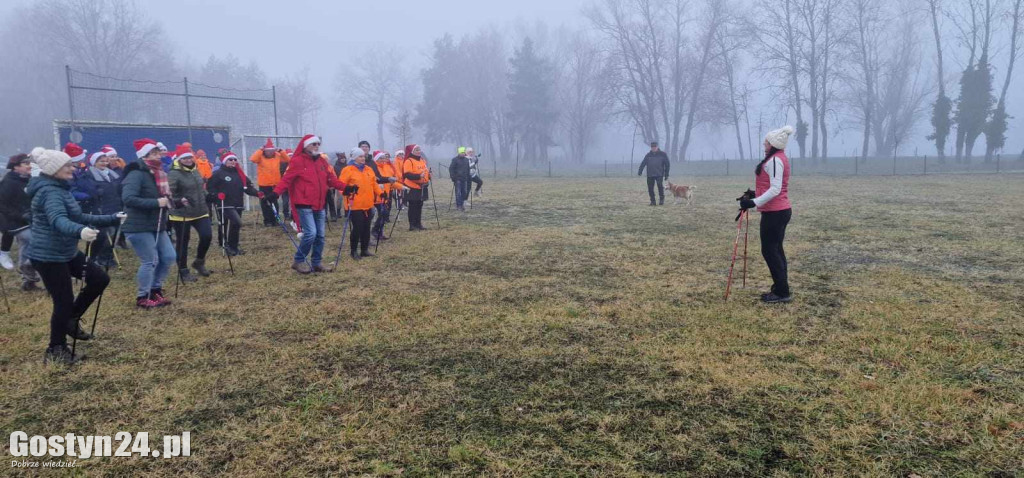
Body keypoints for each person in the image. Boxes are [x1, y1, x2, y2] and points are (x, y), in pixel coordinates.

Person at [26, 147, 123, 364]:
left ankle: (71, 319)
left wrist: (112, 218)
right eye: (67, 165)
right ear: (54, 170)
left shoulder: (60, 188)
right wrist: (80, 231)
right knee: (63, 300)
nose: (72, 168)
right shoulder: (49, 192)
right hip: (48, 256)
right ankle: (56, 348)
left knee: (99, 279)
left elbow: (77, 215)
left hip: (65, 251)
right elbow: (58, 220)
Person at [274, 134, 348, 274]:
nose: (316, 146)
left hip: (319, 204)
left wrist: (346, 187)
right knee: (311, 234)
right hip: (304, 203)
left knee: (320, 235)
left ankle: (316, 263)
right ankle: (298, 260)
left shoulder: (321, 162)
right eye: (313, 144)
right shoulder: (296, 161)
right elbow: (286, 180)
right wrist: (275, 193)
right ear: (305, 145)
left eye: (317, 144)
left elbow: (331, 180)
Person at [738, 126, 794, 304]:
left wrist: (753, 202)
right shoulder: (777, 158)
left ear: (774, 144)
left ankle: (782, 291)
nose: (764, 143)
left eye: (767, 141)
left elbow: (776, 189)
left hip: (776, 212)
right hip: (777, 210)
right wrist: (754, 194)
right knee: (776, 249)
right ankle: (780, 287)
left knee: (770, 250)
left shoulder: (775, 160)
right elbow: (771, 186)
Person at [121, 138, 177, 309]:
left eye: (157, 152)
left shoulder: (159, 173)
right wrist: (155, 203)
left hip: (156, 224)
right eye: (153, 153)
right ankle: (142, 295)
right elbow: (128, 198)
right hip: (138, 225)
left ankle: (155, 289)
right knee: (150, 260)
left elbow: (162, 198)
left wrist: (176, 202)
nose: (158, 155)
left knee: (168, 256)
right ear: (144, 155)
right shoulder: (136, 174)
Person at [168, 145, 214, 282]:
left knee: (207, 236)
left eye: (190, 157)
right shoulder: (173, 174)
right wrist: (179, 200)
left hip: (200, 211)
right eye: (185, 158)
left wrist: (208, 196)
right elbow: (169, 193)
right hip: (181, 212)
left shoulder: (195, 170)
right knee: (183, 242)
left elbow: (200, 189)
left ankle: (199, 262)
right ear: (179, 159)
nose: (188, 160)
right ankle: (183, 270)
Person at [71, 151, 123, 268]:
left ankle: (106, 257)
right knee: (101, 235)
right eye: (101, 161)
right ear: (94, 163)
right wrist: (92, 195)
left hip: (114, 207)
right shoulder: (87, 176)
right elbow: (84, 190)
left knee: (113, 234)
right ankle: (93, 258)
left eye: (105, 161)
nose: (104, 163)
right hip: (98, 209)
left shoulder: (113, 175)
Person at [0, 154, 42, 290]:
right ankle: (28, 266)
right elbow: (3, 205)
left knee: (25, 247)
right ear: (16, 167)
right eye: (25, 163)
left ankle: (28, 282)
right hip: (15, 223)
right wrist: (20, 215)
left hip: (29, 220)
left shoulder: (28, 179)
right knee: (38, 241)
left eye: (29, 163)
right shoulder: (8, 182)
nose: (29, 165)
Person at [207, 150, 258, 257]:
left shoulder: (240, 174)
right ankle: (227, 245)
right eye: (230, 159)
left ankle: (233, 247)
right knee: (233, 223)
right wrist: (216, 195)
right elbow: (210, 187)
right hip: (224, 203)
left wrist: (258, 193)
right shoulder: (218, 174)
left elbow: (248, 187)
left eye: (235, 159)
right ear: (225, 161)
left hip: (237, 203)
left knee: (235, 225)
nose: (233, 161)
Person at [340, 148, 383, 259]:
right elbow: (341, 186)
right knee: (357, 228)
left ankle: (364, 250)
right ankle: (353, 251)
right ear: (354, 158)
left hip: (368, 203)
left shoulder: (368, 169)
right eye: (360, 156)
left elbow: (374, 184)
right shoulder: (348, 170)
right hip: (354, 205)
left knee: (366, 227)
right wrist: (348, 190)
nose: (363, 158)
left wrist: (381, 193)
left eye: (363, 156)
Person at [249, 138, 290, 227]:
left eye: (272, 150)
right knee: (264, 203)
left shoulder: (278, 156)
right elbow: (252, 159)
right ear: (265, 151)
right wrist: (260, 150)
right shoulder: (260, 157)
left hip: (275, 184)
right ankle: (267, 221)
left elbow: (287, 159)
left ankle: (275, 220)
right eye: (268, 151)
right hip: (264, 185)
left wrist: (281, 151)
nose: (270, 152)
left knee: (274, 202)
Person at [401, 144, 431, 230]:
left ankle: (418, 224)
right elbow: (407, 174)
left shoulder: (422, 160)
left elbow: (425, 171)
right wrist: (418, 176)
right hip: (412, 187)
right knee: (413, 206)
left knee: (419, 205)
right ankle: (412, 225)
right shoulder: (408, 161)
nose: (419, 151)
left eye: (419, 149)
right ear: (412, 151)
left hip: (422, 186)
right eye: (416, 150)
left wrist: (429, 175)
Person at [372, 151, 400, 240]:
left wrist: (401, 187)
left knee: (384, 214)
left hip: (385, 194)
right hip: (377, 195)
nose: (383, 160)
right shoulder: (374, 167)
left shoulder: (386, 167)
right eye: (380, 158)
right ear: (376, 159)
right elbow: (377, 180)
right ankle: (375, 231)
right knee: (383, 213)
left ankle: (378, 231)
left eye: (383, 158)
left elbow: (389, 182)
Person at [638, 141, 670, 206]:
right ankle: (653, 201)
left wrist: (666, 174)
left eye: (655, 147)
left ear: (657, 147)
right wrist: (640, 171)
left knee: (660, 187)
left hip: (659, 174)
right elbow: (643, 163)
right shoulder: (648, 155)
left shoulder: (663, 154)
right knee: (650, 188)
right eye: (652, 147)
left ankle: (661, 200)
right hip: (650, 174)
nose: (653, 148)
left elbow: (667, 164)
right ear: (651, 147)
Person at [449, 147, 471, 212]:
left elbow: (468, 169)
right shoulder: (454, 160)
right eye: (462, 152)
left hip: (465, 179)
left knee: (464, 192)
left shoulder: (466, 160)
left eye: (464, 152)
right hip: (457, 179)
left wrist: (468, 176)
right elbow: (451, 169)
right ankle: (459, 206)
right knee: (458, 193)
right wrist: (453, 178)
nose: (463, 154)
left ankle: (462, 204)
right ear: (459, 153)